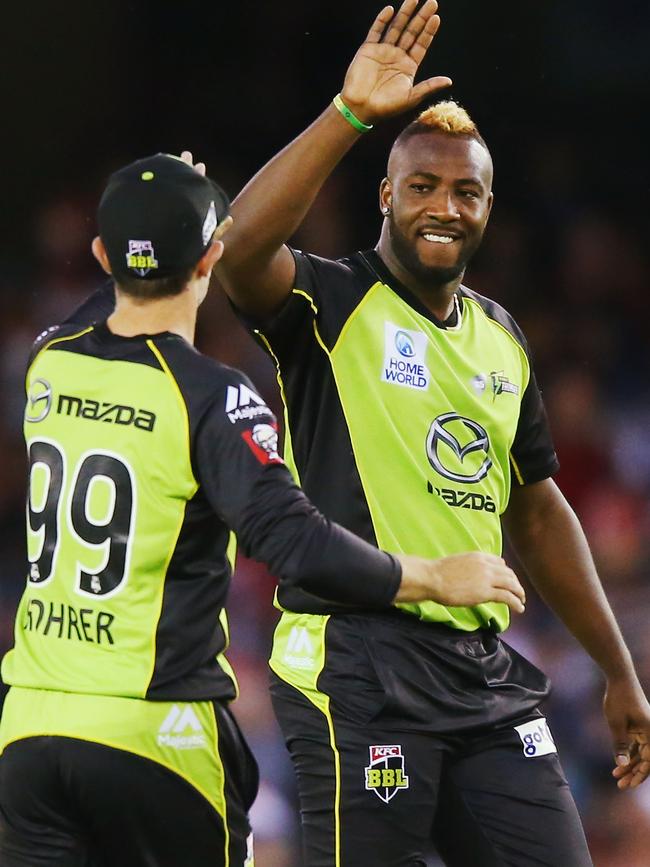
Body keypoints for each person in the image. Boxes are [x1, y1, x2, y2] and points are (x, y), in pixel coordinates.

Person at [0, 153, 527, 867]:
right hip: (155, 729)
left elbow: (109, 307)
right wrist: (433, 577)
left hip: (29, 730)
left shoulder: (46, 362)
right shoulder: (210, 395)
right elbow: (299, 544)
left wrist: (144, 231)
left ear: (102, 255)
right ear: (212, 258)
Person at [215, 1, 650, 865]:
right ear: (387, 195)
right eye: (421, 186)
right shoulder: (330, 302)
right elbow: (236, 252)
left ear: (489, 206)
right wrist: (347, 116)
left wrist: (619, 667)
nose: (443, 207)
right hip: (355, 662)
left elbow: (537, 508)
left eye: (465, 191)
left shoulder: (503, 338)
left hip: (483, 677)